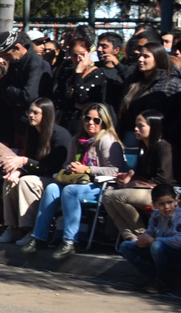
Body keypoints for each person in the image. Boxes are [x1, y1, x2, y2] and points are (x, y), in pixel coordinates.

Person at [27, 102, 125, 259]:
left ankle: (70, 241)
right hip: (78, 181)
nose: (90, 123)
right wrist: (71, 167)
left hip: (102, 186)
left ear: (104, 122)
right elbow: (67, 163)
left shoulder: (107, 140)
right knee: (52, 188)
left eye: (96, 120)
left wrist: (87, 169)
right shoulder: (77, 140)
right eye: (87, 118)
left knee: (69, 191)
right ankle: (39, 237)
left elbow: (115, 170)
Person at [0, 98, 72, 245]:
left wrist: (25, 162)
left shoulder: (59, 135)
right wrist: (19, 171)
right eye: (29, 112)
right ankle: (13, 228)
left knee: (27, 182)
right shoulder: (32, 133)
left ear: (47, 114)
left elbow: (53, 167)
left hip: (56, 179)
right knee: (11, 180)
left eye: (35, 112)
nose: (31, 115)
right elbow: (31, 162)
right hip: (39, 176)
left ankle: (31, 229)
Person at [103, 110, 176, 244]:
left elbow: (164, 179)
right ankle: (131, 238)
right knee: (107, 196)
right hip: (148, 190)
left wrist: (135, 183)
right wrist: (130, 177)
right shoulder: (144, 147)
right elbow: (144, 175)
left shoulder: (163, 146)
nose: (136, 129)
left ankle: (142, 234)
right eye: (136, 125)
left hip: (164, 193)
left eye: (140, 126)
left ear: (153, 127)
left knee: (119, 196)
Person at [118, 184, 181, 294]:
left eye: (170, 202)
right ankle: (149, 276)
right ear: (154, 205)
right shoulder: (156, 216)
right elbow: (150, 232)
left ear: (176, 201)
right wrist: (142, 239)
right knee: (126, 246)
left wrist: (153, 241)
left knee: (156, 246)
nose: (166, 207)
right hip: (162, 253)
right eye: (161, 204)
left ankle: (163, 281)